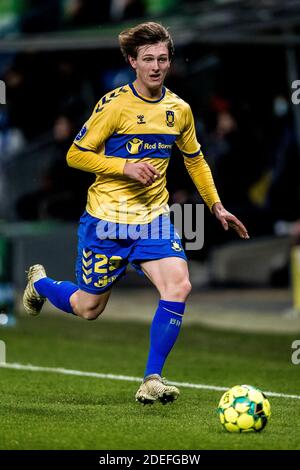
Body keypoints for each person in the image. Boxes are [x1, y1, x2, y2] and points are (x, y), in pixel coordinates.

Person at [23, 22, 249, 405]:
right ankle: (41, 284)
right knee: (87, 307)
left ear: (170, 61)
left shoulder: (179, 110)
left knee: (179, 285)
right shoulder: (113, 106)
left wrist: (215, 204)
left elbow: (194, 160)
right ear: (133, 62)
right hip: (106, 221)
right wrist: (123, 167)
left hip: (153, 219)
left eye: (163, 58)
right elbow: (75, 155)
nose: (156, 66)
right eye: (148, 59)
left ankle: (152, 378)